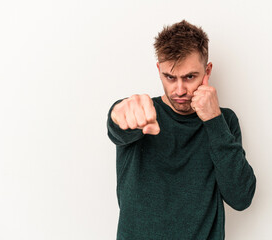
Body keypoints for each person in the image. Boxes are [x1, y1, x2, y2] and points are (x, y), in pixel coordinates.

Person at [107, 20, 256, 240]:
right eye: (170, 77)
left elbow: (241, 197)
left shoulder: (223, 121)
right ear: (159, 70)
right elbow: (118, 125)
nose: (180, 90)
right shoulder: (142, 113)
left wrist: (213, 120)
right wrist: (118, 114)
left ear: (207, 71)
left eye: (190, 77)